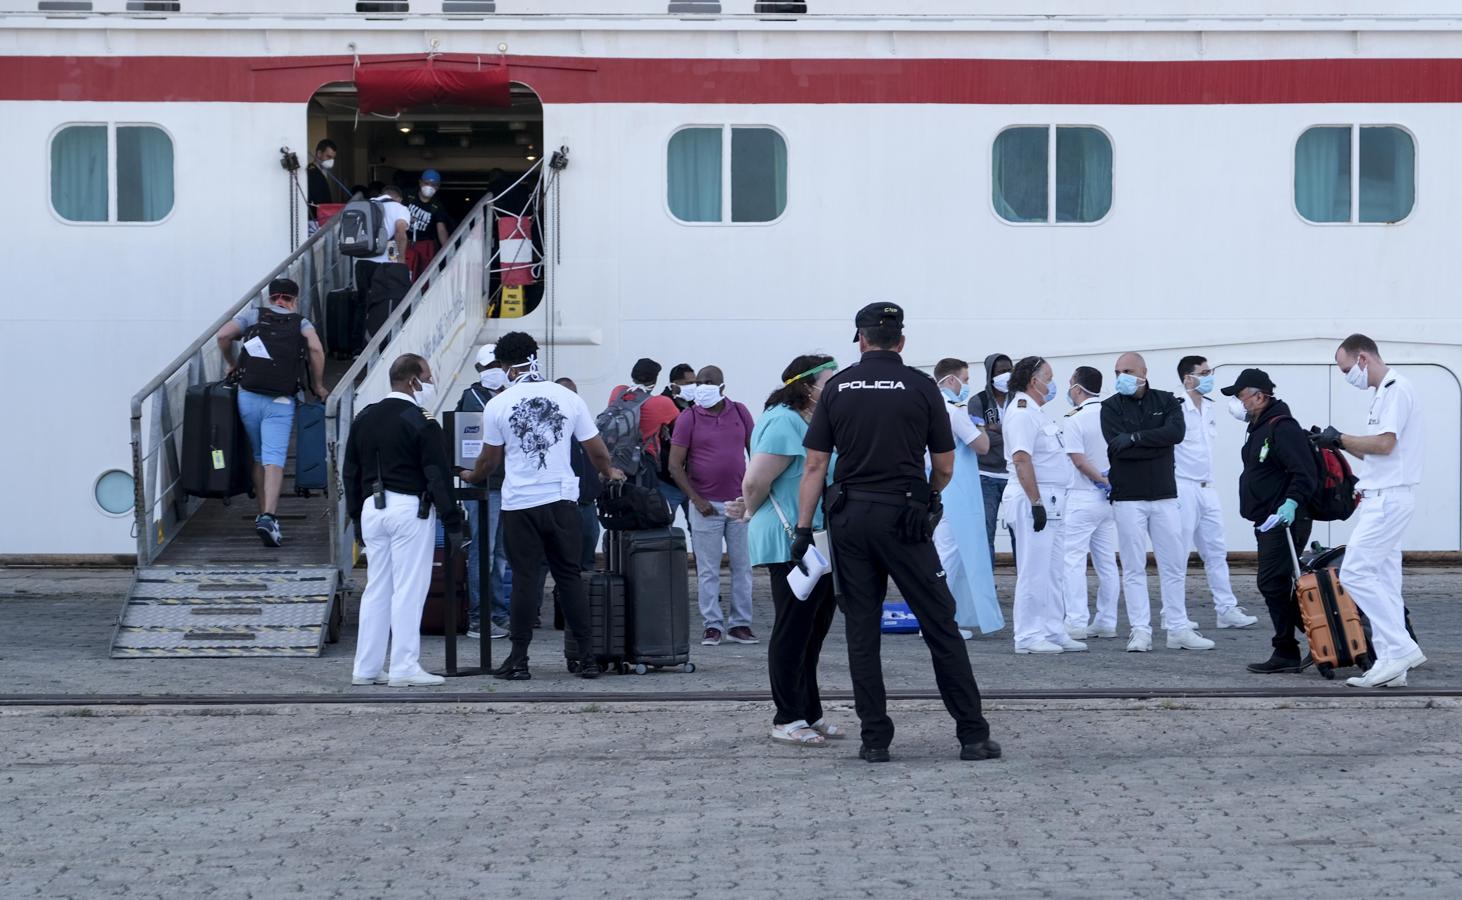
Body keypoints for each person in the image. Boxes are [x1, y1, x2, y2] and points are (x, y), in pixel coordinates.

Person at [796, 302, 999, 764]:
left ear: (861, 340)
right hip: (905, 518)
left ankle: (875, 741)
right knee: (940, 625)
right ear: (901, 342)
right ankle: (972, 735)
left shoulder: (838, 387)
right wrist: (927, 497)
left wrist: (804, 528)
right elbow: (945, 464)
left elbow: (814, 465)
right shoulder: (923, 387)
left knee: (862, 632)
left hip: (849, 520)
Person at [461, 332, 625, 681]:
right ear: (535, 357)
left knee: (524, 578)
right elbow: (596, 451)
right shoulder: (566, 397)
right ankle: (586, 658)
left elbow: (489, 463)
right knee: (569, 578)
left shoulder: (498, 404)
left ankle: (519, 660)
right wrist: (607, 471)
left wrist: (470, 475)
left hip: (520, 503)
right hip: (562, 501)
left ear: (504, 367)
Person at [726, 354, 845, 746]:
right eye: (828, 382)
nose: (834, 388)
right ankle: (787, 716)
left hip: (817, 540)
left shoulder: (811, 422)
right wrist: (748, 511)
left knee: (813, 630)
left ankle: (809, 710)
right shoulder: (783, 421)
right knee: (793, 629)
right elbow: (754, 482)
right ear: (806, 386)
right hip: (787, 540)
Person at [342, 353, 462, 688]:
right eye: (427, 376)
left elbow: (349, 473)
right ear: (412, 380)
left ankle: (365, 668)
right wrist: (452, 521)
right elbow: (437, 474)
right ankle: (404, 665)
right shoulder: (421, 420)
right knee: (409, 589)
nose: (430, 383)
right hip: (410, 510)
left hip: (371, 511)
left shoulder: (364, 418)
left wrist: (356, 518)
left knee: (377, 589)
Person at [1322, 335, 1426, 688]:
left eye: (1346, 369)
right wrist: (1337, 443)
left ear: (1363, 358)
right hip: (1384, 495)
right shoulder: (1385, 393)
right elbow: (1377, 453)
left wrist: (1341, 438)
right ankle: (1391, 664)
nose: (1346, 376)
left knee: (1354, 574)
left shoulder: (1396, 388)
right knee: (1384, 582)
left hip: (1387, 500)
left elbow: (1385, 442)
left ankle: (1399, 648)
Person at [1102, 351, 1214, 652]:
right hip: (1128, 499)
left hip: (1164, 496)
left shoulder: (1166, 401)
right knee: (1134, 567)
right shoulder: (1109, 408)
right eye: (1116, 372)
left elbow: (1175, 434)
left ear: (1143, 371)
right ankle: (1140, 630)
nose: (1120, 377)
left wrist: (1136, 439)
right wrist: (1154, 440)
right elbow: (1116, 446)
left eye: (1126, 370)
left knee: (1173, 564)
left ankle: (1178, 627)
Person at [214, 277, 328, 547]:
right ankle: (269, 516)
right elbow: (316, 349)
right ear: (294, 299)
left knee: (258, 454)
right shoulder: (301, 322)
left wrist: (232, 363)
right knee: (274, 457)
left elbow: (222, 335)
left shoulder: (255, 315)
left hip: (248, 395)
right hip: (281, 399)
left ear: (271, 297)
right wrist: (319, 385)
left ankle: (262, 515)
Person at [1222, 369, 1320, 675]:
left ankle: (1291, 647)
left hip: (1285, 520)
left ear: (1260, 396)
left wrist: (1290, 503)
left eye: (1240, 397)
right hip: (1268, 522)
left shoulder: (1282, 427)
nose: (1238, 404)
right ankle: (1319, 635)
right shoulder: (1259, 427)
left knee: (1271, 582)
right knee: (1277, 583)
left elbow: (1304, 473)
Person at [669, 366, 758, 646]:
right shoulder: (689, 416)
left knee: (743, 567)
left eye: (708, 382)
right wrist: (696, 499)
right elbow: (674, 465)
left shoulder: (740, 411)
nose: (702, 386)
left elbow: (755, 453)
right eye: (699, 382)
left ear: (722, 386)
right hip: (705, 504)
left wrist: (752, 496)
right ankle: (712, 625)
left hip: (738, 504)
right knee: (708, 569)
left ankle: (740, 624)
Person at [1002, 357, 1082, 655]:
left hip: (1052, 499)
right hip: (1033, 498)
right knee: (1034, 569)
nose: (1052, 383)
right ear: (1033, 381)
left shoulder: (1037, 413)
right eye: (1048, 377)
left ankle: (1052, 629)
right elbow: (1022, 459)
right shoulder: (1022, 412)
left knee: (1053, 570)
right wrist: (1035, 502)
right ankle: (1027, 635)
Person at [1175, 355, 1260, 630]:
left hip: (1207, 488)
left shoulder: (1211, 408)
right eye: (1204, 372)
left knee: (1216, 551)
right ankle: (1174, 614)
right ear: (1189, 378)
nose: (1210, 376)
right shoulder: (1175, 407)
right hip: (1182, 486)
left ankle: (1226, 609)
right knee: (1178, 554)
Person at [932, 358, 1000, 639]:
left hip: (942, 490)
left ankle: (945, 617)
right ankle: (938, 621)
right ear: (950, 380)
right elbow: (982, 446)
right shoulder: (953, 411)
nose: (967, 386)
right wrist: (981, 425)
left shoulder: (930, 407)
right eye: (965, 379)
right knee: (949, 557)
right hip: (958, 493)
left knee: (950, 555)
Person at [1060, 367, 1125, 640]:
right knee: (1106, 562)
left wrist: (1100, 479)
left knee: (1072, 560)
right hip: (1108, 499)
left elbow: (1078, 460)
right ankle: (1107, 621)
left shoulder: (1076, 418)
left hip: (1083, 495)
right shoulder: (1114, 414)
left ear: (1077, 388)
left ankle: (1076, 621)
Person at [456, 344, 510, 640]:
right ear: (480, 370)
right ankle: (479, 617)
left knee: (500, 553)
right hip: (483, 485)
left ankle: (499, 613)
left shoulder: (508, 394)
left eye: (498, 365)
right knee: (483, 550)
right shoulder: (472, 398)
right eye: (490, 366)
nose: (495, 371)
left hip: (505, 484)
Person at [606, 358, 682, 489]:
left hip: (615, 462)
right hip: (642, 465)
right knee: (646, 506)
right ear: (655, 380)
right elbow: (681, 425)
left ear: (632, 375)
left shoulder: (618, 392)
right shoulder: (661, 403)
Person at [973, 353, 1015, 569]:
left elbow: (1026, 434)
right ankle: (987, 585)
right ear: (990, 374)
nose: (1006, 375)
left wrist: (995, 429)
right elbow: (980, 439)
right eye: (1000, 372)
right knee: (986, 532)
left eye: (1010, 370)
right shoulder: (978, 401)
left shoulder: (1020, 399)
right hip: (986, 476)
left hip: (1015, 476)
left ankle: (1025, 583)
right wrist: (1008, 431)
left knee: (1020, 534)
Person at [359, 185, 412, 340]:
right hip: (385, 263)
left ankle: (357, 347)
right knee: (383, 302)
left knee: (362, 304)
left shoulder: (367, 204)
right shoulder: (399, 208)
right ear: (398, 198)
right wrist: (400, 260)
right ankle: (380, 341)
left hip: (361, 260)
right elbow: (400, 233)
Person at [657, 362, 698, 522]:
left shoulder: (697, 404)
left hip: (693, 481)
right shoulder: (661, 404)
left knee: (698, 528)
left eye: (695, 383)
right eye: (688, 383)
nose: (693, 387)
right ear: (674, 384)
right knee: (664, 524)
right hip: (667, 480)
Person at [404, 169, 452, 281]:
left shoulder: (437, 205)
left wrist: (449, 249)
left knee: (423, 274)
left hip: (424, 244)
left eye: (434, 185)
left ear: (438, 187)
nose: (429, 187)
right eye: (426, 183)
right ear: (420, 182)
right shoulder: (408, 195)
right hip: (404, 240)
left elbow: (441, 230)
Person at [305, 139, 338, 226]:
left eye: (333, 158)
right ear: (319, 153)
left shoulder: (319, 173)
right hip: (316, 223)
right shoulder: (312, 173)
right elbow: (316, 202)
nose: (331, 161)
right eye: (328, 157)